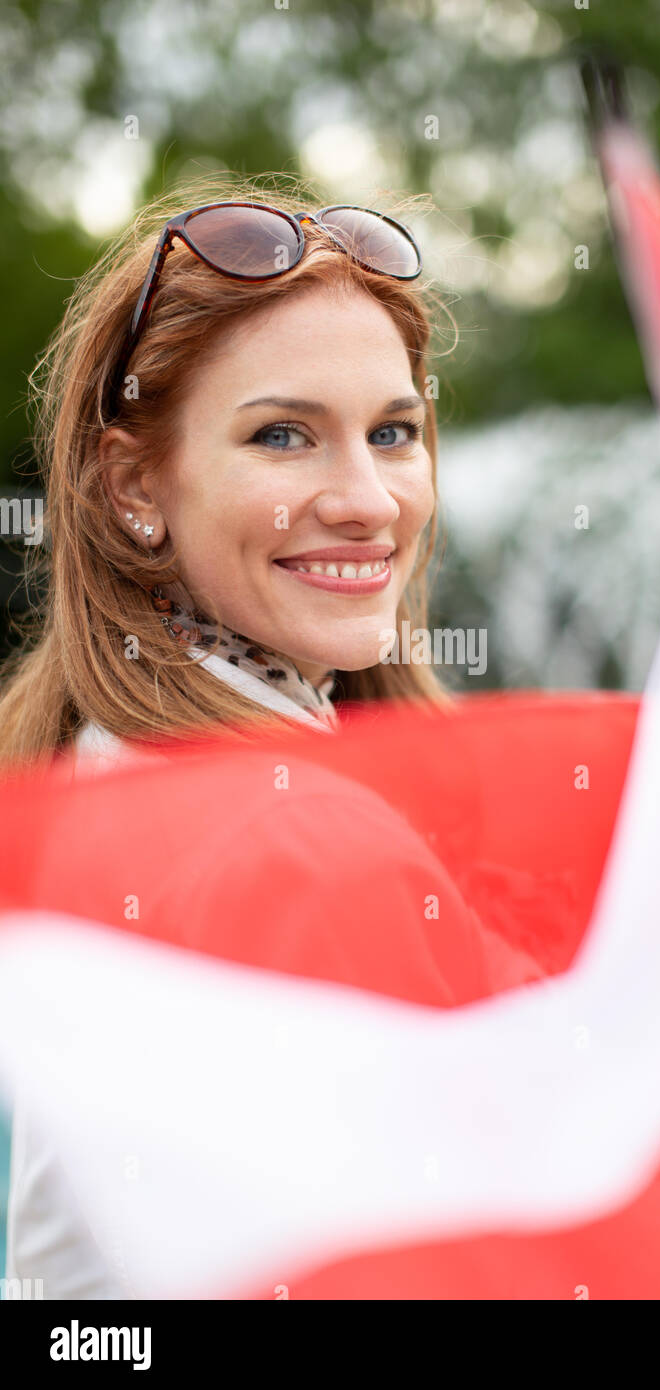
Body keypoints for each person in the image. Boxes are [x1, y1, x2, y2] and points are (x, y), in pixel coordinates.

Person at [0, 176, 545, 1297]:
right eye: (284, 435)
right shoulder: (290, 840)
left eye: (393, 432)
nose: (366, 499)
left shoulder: (104, 760)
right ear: (132, 483)